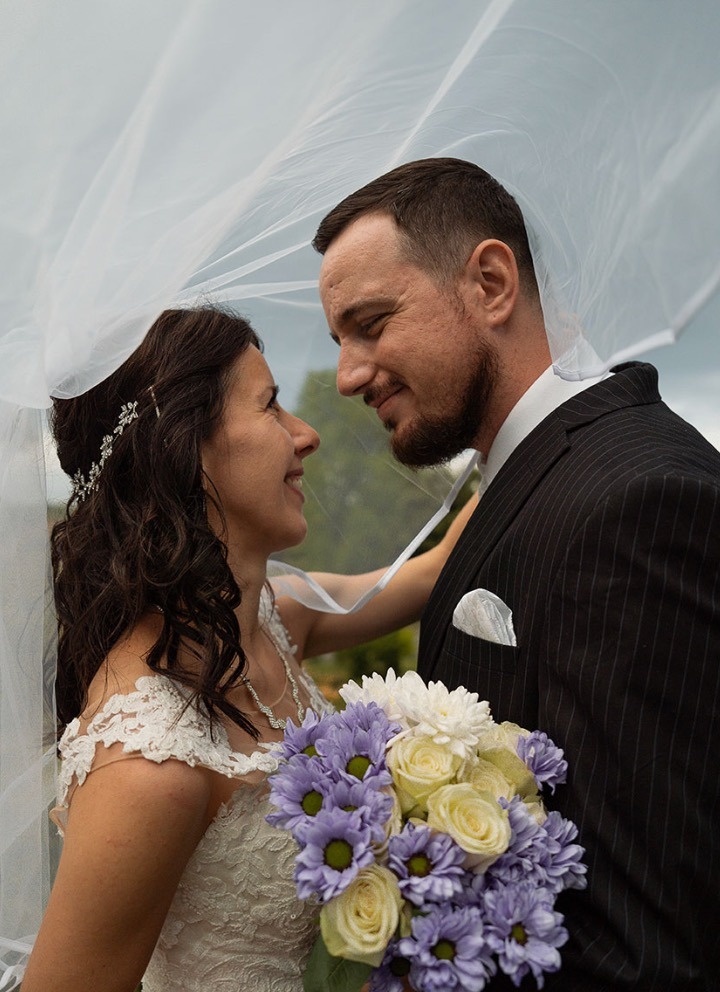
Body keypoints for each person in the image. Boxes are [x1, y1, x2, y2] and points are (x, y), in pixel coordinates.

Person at [314, 157, 720, 991]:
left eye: (371, 323)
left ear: (491, 284)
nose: (349, 375)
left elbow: (642, 943)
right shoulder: (533, 477)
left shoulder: (636, 501)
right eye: (339, 341)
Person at [20, 306, 477, 992]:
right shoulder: (149, 763)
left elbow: (433, 570)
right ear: (186, 449)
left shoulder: (277, 616)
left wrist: (532, 407)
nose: (307, 434)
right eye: (270, 407)